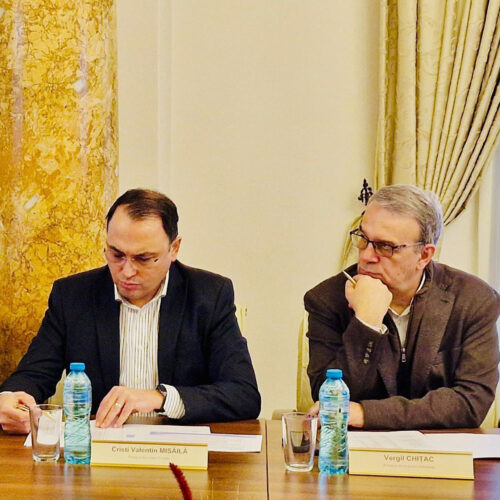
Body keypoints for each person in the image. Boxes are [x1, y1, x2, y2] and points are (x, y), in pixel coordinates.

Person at [0, 189, 260, 433]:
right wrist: (11, 399)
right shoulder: (73, 296)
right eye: (116, 255)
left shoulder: (209, 296)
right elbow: (33, 375)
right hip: (100, 449)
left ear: (174, 248)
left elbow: (243, 394)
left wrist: (159, 398)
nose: (127, 271)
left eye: (143, 258)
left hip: (181, 451)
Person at [305, 184, 500, 429]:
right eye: (363, 239)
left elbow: (471, 403)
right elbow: (328, 398)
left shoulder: (473, 300)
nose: (366, 256)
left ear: (424, 255)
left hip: (441, 448)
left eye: (385, 246)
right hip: (354, 448)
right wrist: (366, 324)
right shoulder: (327, 300)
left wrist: (367, 413)